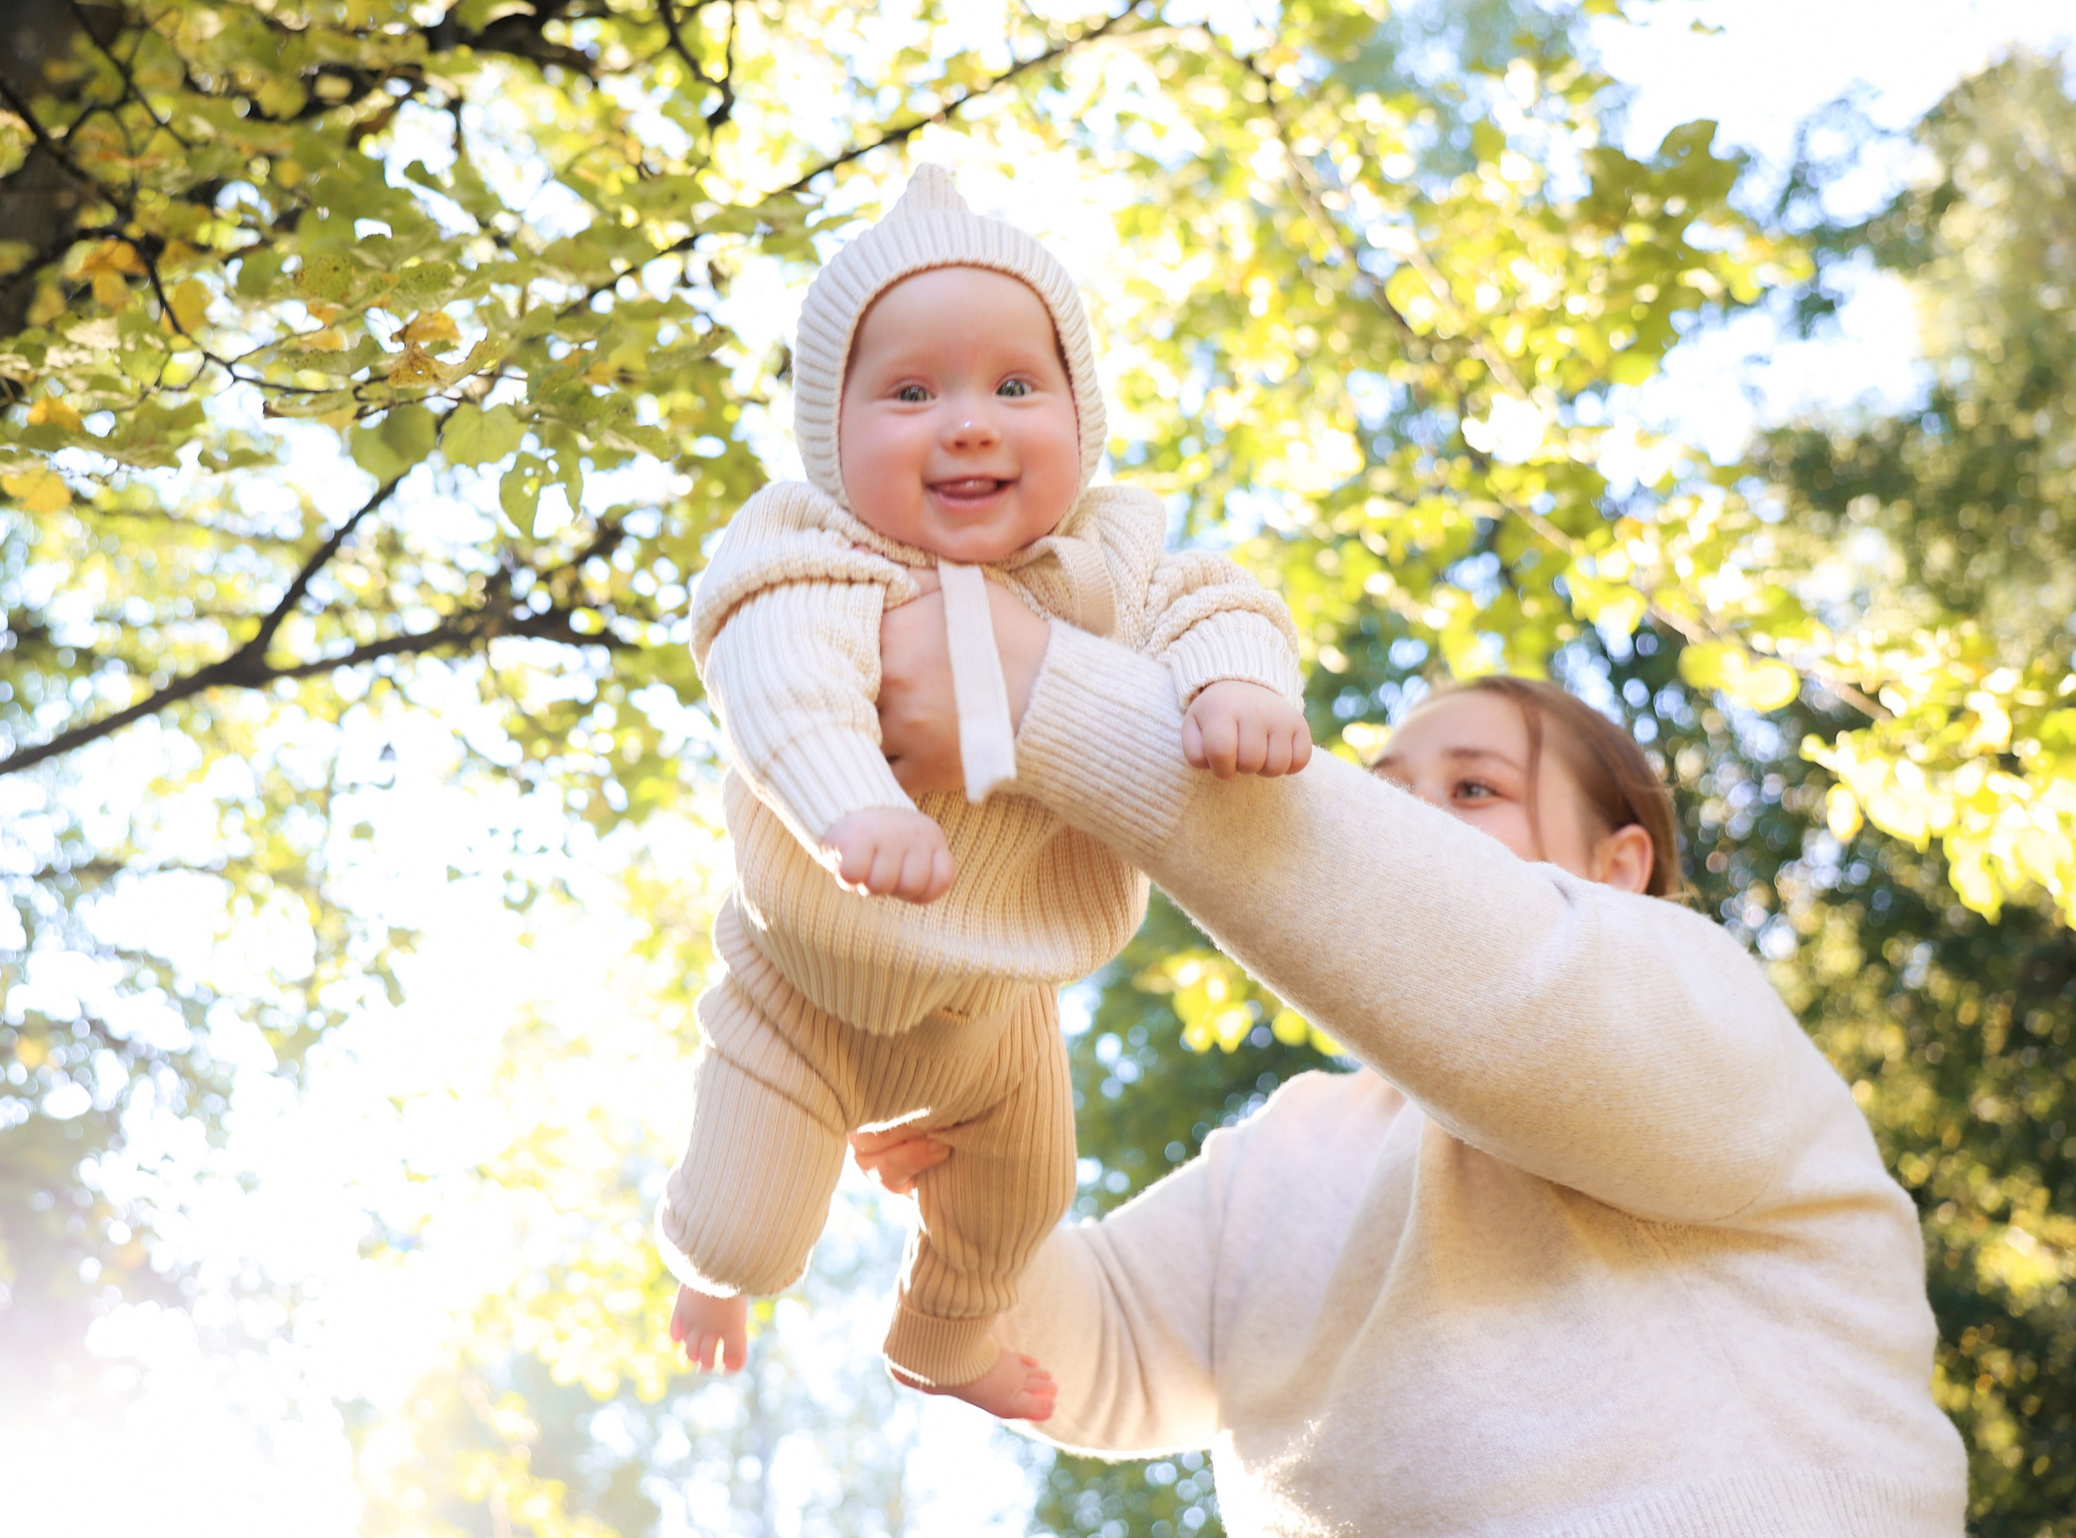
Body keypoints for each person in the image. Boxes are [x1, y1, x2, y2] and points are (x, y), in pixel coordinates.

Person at [858, 602, 1971, 1535]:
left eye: (1474, 790)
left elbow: (1503, 984)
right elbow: (1094, 1344)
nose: (1413, 823)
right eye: (1384, 795)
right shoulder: (1287, 1145)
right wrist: (971, 1138)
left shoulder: (1698, 1009)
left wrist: (1053, 696)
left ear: (1617, 862)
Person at [659, 165, 1312, 1420]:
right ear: (831, 439)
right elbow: (779, 680)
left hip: (998, 1011)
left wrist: (1238, 686)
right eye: (911, 392)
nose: (968, 423)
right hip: (803, 990)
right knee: (746, 1230)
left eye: (1016, 386)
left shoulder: (1110, 567)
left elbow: (1219, 602)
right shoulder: (819, 554)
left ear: (1082, 415)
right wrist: (856, 806)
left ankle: (942, 1341)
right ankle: (708, 1274)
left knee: (1025, 1195)